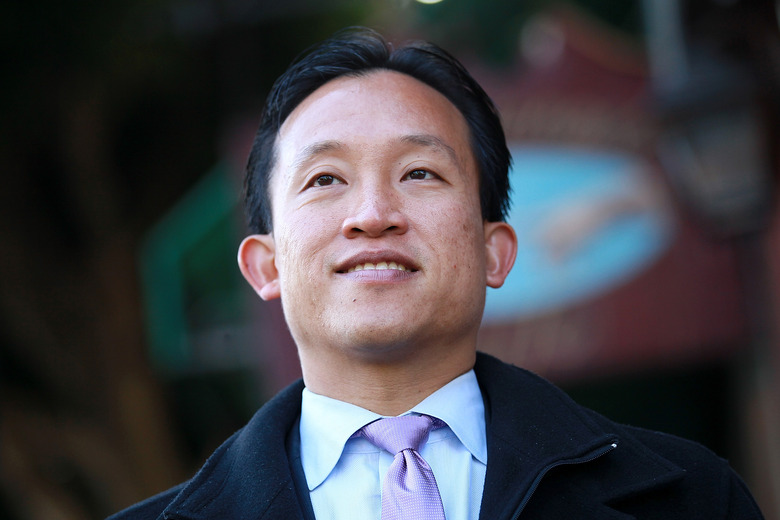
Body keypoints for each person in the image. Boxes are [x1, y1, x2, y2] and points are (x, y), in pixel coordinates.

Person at [109, 28, 764, 519]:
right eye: (325, 179)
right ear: (265, 265)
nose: (372, 214)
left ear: (495, 252)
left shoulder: (691, 497)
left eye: (419, 173)